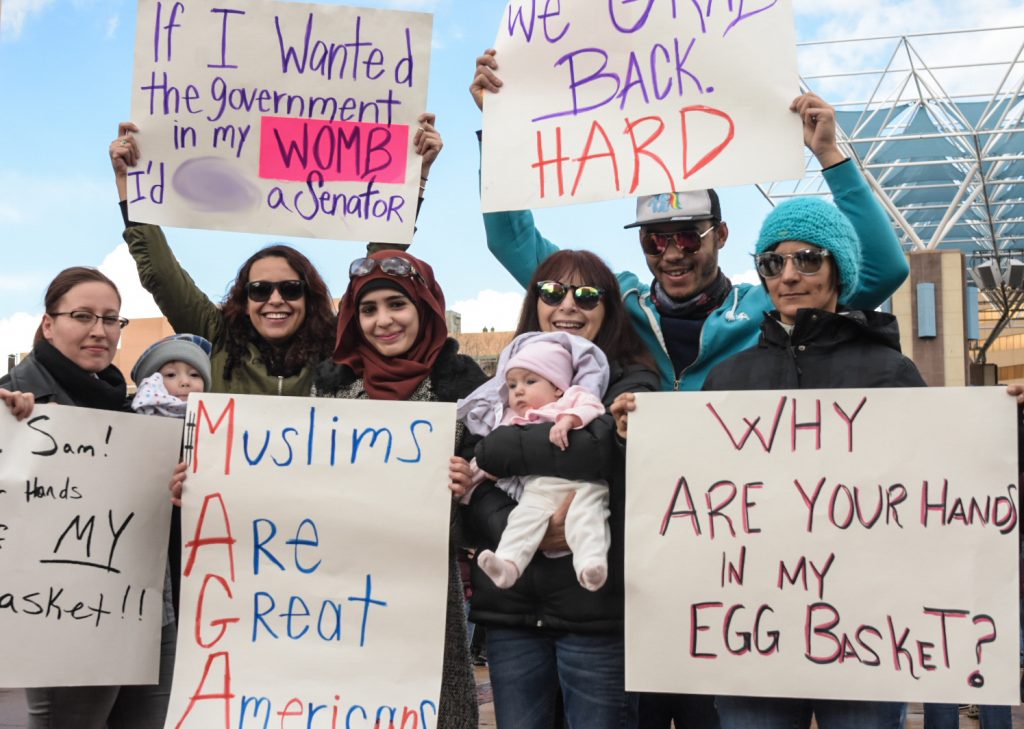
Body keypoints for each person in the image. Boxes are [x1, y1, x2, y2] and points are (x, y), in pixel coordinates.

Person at [471, 49, 910, 728]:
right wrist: (499, 129)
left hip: (736, 568)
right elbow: (519, 244)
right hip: (636, 568)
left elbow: (879, 269)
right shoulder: (616, 309)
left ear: (721, 236)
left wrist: (832, 158)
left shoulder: (766, 313)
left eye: (687, 235)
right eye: (654, 239)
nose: (670, 252)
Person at [618, 196, 924, 727]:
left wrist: (1001, 422)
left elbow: (939, 487)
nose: (789, 274)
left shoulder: (889, 371)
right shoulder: (730, 377)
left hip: (864, 633)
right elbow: (695, 493)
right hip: (754, 636)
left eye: (808, 258)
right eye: (772, 262)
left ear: (838, 268)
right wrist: (637, 437)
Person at [449, 249, 660, 729]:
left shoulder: (632, 380)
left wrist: (503, 444)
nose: (568, 305)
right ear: (535, 302)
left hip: (598, 616)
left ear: (608, 309)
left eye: (587, 295)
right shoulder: (504, 382)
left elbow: (599, 454)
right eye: (552, 292)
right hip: (512, 614)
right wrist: (525, 529)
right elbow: (478, 487)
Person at [107, 112, 443, 396]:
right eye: (260, 290)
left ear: (309, 297)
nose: (276, 299)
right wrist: (130, 185)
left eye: (291, 288)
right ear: (245, 298)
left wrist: (417, 173)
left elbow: (381, 261)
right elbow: (164, 277)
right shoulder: (218, 336)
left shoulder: (337, 344)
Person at [312, 250, 487, 729]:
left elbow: (496, 497)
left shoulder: (465, 389)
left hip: (426, 596)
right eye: (368, 309)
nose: (382, 321)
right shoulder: (329, 389)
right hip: (334, 593)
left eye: (397, 305)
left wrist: (468, 486)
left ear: (425, 308)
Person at [0, 266, 176, 729]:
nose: (100, 330)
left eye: (112, 318)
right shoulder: (12, 400)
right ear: (48, 324)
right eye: (82, 315)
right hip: (64, 615)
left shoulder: (128, 405)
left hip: (151, 608)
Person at [457, 333, 612, 592]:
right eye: (512, 384)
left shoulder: (571, 398)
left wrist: (568, 420)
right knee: (522, 519)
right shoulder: (508, 419)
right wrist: (468, 479)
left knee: (590, 515)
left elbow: (592, 407)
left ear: (557, 387)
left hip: (582, 485)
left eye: (530, 381)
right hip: (538, 490)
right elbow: (487, 457)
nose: (519, 390)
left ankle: (591, 564)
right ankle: (508, 564)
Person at [130, 333, 213, 416]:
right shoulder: (130, 421)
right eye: (171, 375)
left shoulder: (217, 419)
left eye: (194, 375)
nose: (185, 382)